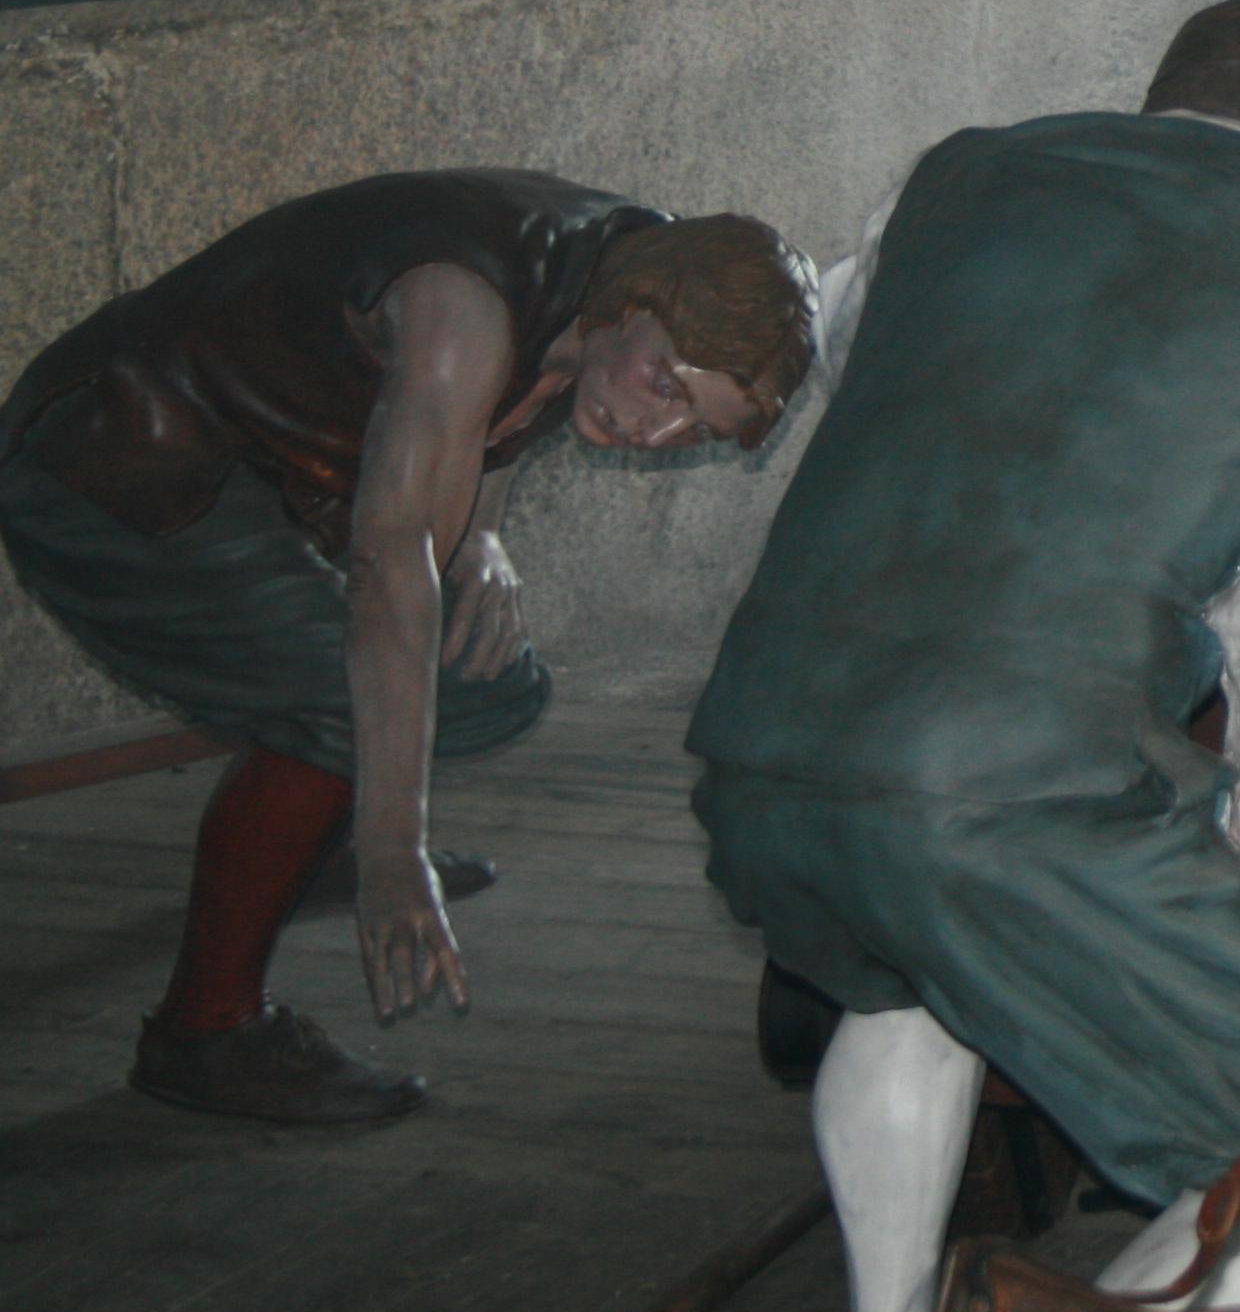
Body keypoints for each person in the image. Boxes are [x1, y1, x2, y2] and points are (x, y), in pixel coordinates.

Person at [687, 0, 1240, 1312]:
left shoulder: (953, 180)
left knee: (919, 983)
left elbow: (897, 432)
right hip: (1005, 790)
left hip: (762, 756)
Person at [0, 177, 814, 1123]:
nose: (655, 429)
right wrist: (398, 848)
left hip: (254, 469)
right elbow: (389, 578)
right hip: (112, 460)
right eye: (667, 387)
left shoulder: (616, 279)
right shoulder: (467, 305)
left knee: (487, 680)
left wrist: (483, 538)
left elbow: (505, 412)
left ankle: (300, 840)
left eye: (696, 429)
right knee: (351, 701)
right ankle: (206, 1026)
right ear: (639, 309)